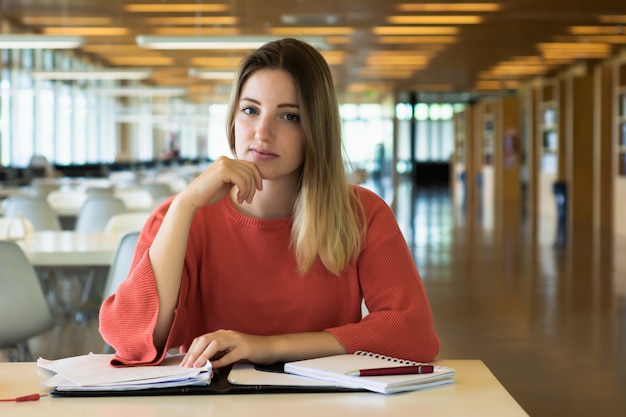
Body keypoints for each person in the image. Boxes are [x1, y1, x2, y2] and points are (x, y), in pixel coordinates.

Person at [99, 38, 440, 368]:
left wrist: (267, 347)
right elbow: (132, 343)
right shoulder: (180, 216)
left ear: (315, 129)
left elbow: (413, 334)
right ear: (232, 118)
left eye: (289, 116)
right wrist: (186, 204)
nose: (262, 132)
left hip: (325, 404)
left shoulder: (362, 213)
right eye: (250, 110)